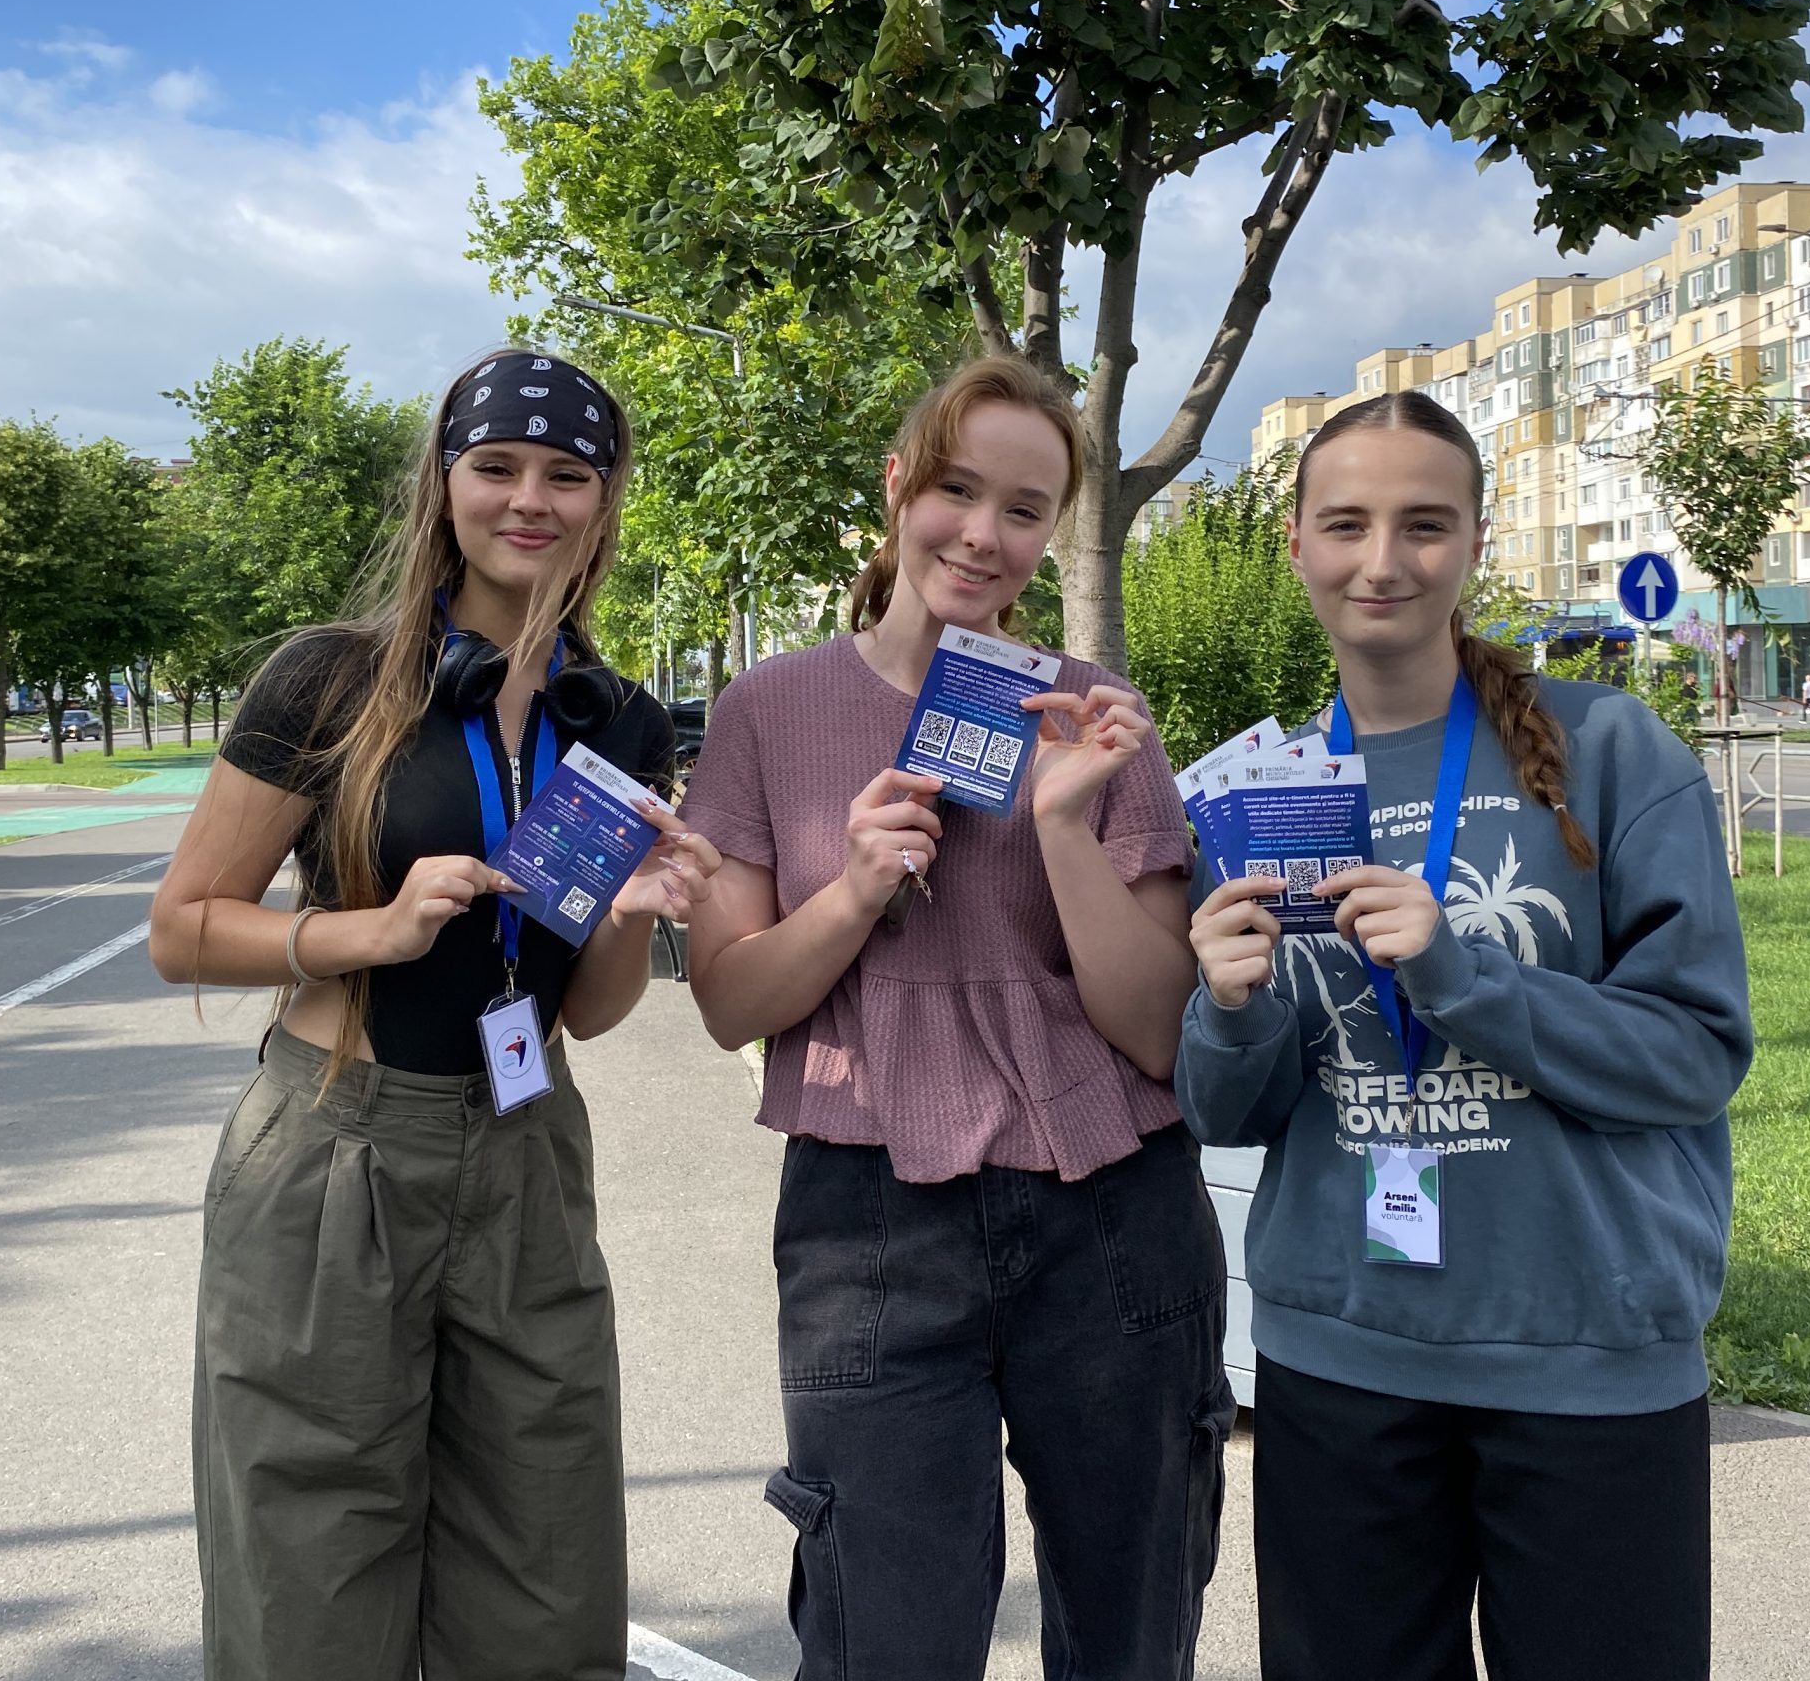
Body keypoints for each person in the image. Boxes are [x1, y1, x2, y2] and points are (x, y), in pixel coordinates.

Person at [148, 347, 721, 1681]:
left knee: (545, 1578)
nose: (530, 499)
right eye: (497, 467)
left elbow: (588, 1010)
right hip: (336, 1150)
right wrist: (373, 931)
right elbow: (183, 929)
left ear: (603, 499)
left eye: (566, 475)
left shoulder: (619, 723)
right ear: (444, 484)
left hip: (527, 1149)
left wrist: (634, 915)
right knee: (312, 1590)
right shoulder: (330, 682)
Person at [1176, 390, 1753, 1681]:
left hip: (1585, 1359)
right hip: (1339, 1362)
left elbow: (1695, 1053)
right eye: (1346, 524)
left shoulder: (1610, 750)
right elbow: (1227, 1112)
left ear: (1477, 542)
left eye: (1424, 525)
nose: (1382, 561)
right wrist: (1228, 1008)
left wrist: (1460, 975)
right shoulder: (1258, 790)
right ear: (1296, 544)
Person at [683, 354, 1232, 1681]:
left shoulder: (1095, 719)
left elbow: (1158, 1033)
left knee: (1132, 1633)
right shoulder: (766, 710)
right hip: (869, 1221)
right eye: (956, 490)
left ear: (1052, 533)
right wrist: (855, 890)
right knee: (886, 1640)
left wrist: (1062, 822)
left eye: (1025, 509)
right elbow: (729, 1002)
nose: (983, 534)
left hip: (1112, 1210)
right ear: (897, 485)